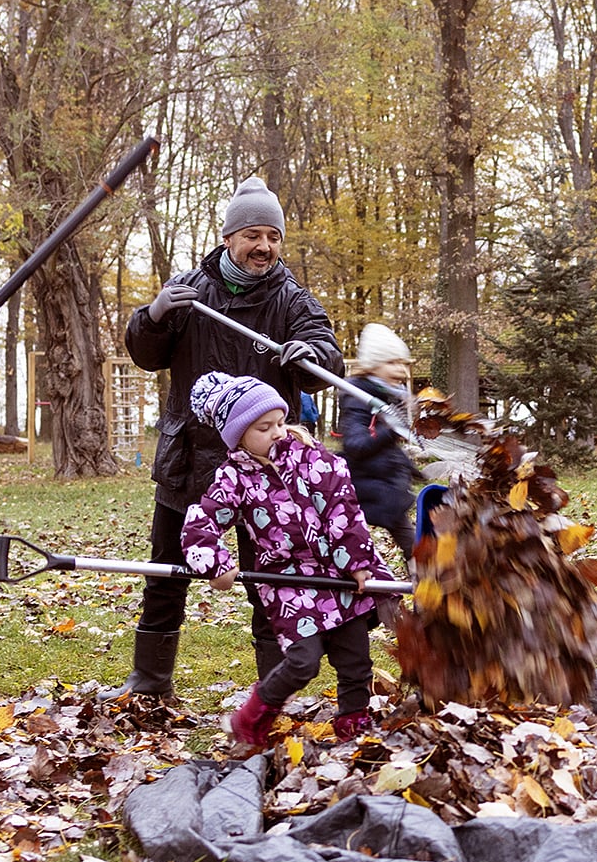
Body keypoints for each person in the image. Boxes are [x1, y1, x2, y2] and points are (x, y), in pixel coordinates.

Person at [121, 177, 342, 699]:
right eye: (252, 235)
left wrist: (309, 354)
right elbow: (145, 353)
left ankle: (274, 690)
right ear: (228, 239)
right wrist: (153, 316)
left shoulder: (293, 301)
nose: (264, 246)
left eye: (273, 236)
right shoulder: (189, 293)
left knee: (270, 583)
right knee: (164, 575)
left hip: (266, 472)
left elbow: (327, 354)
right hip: (189, 463)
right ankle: (150, 682)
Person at [180, 372, 391, 746]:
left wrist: (359, 562)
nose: (278, 432)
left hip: (337, 573)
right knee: (302, 661)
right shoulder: (233, 477)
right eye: (264, 427)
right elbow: (202, 522)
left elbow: (344, 509)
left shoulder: (312, 459)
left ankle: (353, 725)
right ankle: (251, 718)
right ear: (238, 435)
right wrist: (215, 563)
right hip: (288, 581)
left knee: (355, 659)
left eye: (279, 421)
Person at [339, 323, 418, 564]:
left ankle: (424, 583)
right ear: (374, 364)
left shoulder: (388, 395)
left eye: (403, 363)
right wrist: (392, 430)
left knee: (415, 547)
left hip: (385, 486)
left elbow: (389, 447)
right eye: (392, 363)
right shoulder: (358, 397)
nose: (401, 371)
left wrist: (412, 469)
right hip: (365, 487)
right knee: (354, 543)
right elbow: (356, 444)